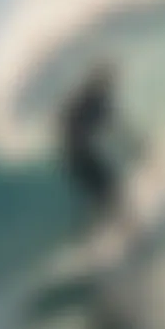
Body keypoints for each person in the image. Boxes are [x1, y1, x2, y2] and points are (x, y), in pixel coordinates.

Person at [60, 59, 140, 235]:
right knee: (110, 191)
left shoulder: (90, 98)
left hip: (77, 158)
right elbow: (116, 126)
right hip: (80, 158)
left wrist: (137, 145)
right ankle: (130, 232)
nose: (112, 85)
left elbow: (116, 126)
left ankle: (112, 233)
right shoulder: (94, 100)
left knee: (106, 195)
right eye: (109, 80)